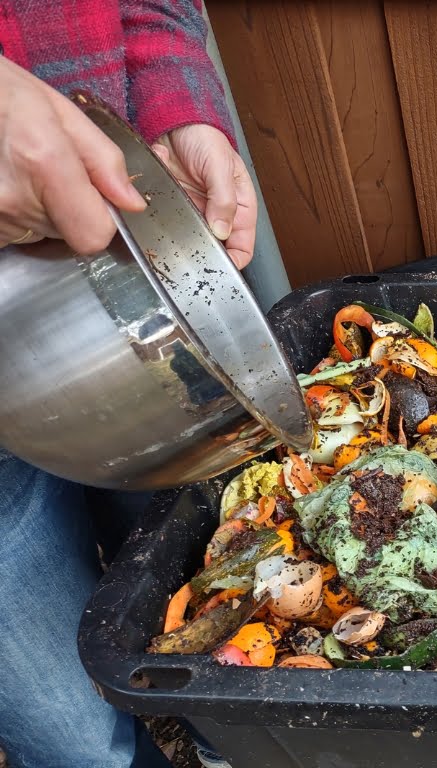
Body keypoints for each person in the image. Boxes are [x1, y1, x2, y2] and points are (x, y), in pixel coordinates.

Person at [0, 1, 255, 766]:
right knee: (75, 737)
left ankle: (220, 746)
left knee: (215, 635)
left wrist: (178, 110)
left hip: (125, 304)